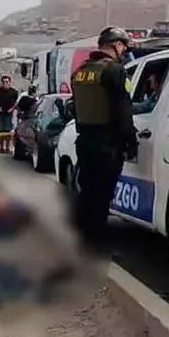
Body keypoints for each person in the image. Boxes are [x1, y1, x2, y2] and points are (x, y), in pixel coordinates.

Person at [69, 26, 138, 255]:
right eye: (123, 46)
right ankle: (96, 246)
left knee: (87, 193)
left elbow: (76, 108)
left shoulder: (80, 72)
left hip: (84, 141)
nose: (124, 51)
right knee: (102, 196)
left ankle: (82, 241)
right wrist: (130, 141)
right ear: (116, 45)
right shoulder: (114, 71)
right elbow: (123, 111)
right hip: (107, 143)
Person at [0, 75, 19, 154]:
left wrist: (12, 109)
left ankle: (7, 148)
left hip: (9, 113)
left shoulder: (14, 92)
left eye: (7, 82)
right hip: (1, 113)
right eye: (3, 82)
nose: (5, 83)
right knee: (1, 130)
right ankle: (1, 148)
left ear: (10, 82)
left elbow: (16, 103)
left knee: (7, 131)